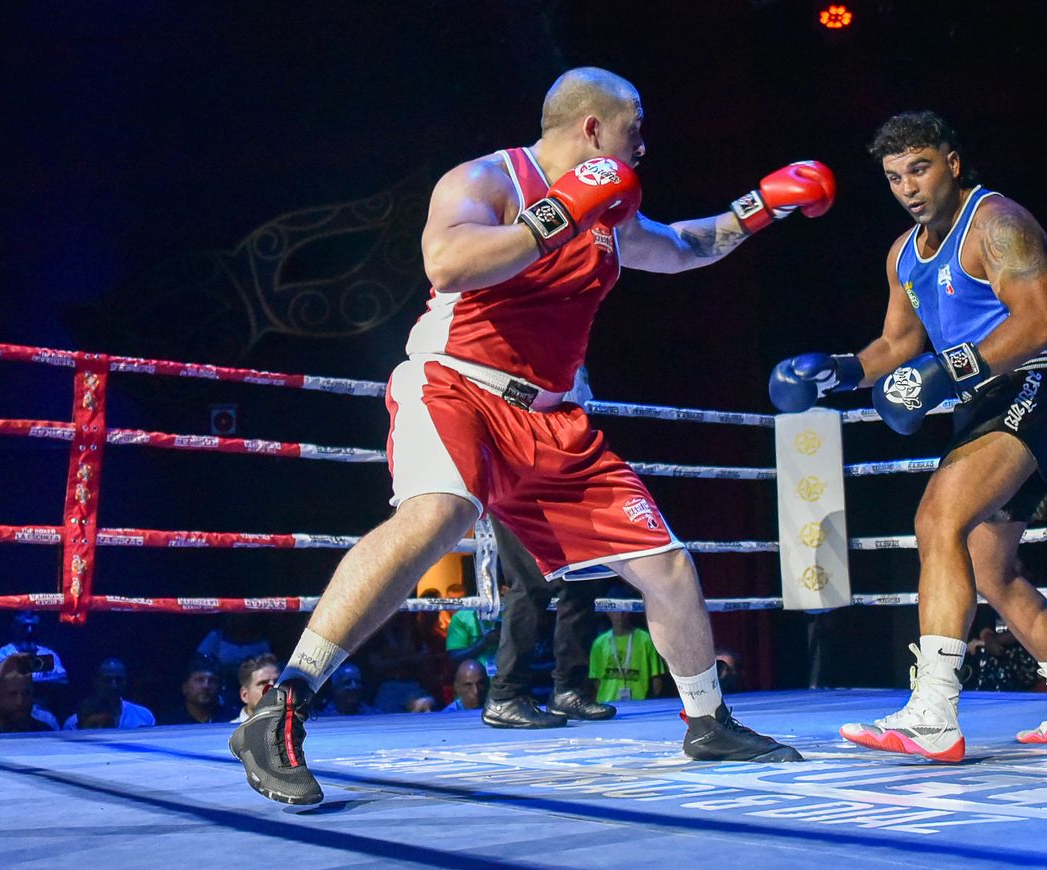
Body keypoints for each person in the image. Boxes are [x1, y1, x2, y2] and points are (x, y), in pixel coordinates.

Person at [232, 67, 825, 803]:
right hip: (458, 384)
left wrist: (760, 205)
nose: (644, 140)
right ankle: (283, 702)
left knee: (665, 564)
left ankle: (707, 721)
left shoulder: (612, 209)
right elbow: (446, 263)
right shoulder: (485, 179)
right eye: (634, 124)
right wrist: (557, 213)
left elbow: (678, 248)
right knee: (437, 513)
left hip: (550, 418)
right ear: (592, 128)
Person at [770, 110, 1047, 762]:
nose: (908, 186)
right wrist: (837, 373)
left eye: (920, 168)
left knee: (937, 519)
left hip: (1032, 388)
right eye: (895, 176)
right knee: (994, 571)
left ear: (951, 163)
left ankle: (933, 712)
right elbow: (897, 344)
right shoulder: (903, 254)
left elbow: (1038, 323)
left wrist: (948, 368)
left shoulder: (999, 223)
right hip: (977, 403)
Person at [481, 514, 613, 728]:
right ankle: (505, 695)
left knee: (581, 583)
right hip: (516, 488)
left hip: (564, 493)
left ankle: (569, 691)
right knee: (529, 583)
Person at [590, 611, 668, 702]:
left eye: (624, 609)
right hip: (608, 703)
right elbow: (597, 680)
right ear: (608, 612)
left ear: (630, 612)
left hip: (640, 705)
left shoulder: (646, 640)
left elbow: (656, 679)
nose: (620, 614)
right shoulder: (600, 643)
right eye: (616, 610)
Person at [63, 658, 155, 730]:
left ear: (126, 682)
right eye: (107, 680)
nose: (113, 686)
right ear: (97, 682)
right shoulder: (73, 724)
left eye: (118, 680)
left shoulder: (143, 716)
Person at [159, 656, 231, 725]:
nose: (206, 686)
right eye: (199, 680)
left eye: (212, 681)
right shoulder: (170, 722)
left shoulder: (233, 719)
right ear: (185, 687)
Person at [231, 654, 281, 724]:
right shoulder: (227, 732)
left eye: (278, 682)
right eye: (263, 683)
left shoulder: (297, 729)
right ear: (244, 695)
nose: (274, 688)